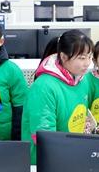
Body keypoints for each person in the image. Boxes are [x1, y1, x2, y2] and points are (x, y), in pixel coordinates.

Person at [22, 29, 94, 164]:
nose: (87, 63)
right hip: (47, 161)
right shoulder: (44, 86)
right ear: (64, 57)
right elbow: (44, 135)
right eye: (82, 58)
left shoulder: (83, 79)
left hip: (73, 155)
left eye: (90, 57)